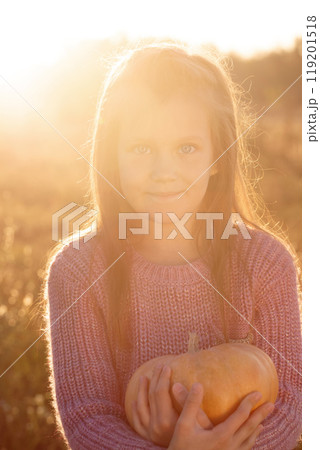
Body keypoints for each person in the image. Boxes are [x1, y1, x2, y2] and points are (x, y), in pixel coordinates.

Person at [44, 42, 302, 449]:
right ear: (113, 157)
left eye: (187, 148)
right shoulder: (77, 270)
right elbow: (87, 416)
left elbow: (290, 404)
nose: (165, 172)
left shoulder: (265, 263)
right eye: (142, 148)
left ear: (218, 153)